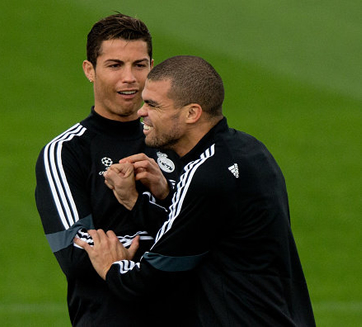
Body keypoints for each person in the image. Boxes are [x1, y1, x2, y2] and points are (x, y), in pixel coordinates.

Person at [75, 55, 316, 326]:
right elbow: (201, 231)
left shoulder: (204, 174)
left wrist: (112, 265)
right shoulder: (251, 151)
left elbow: (145, 280)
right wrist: (150, 198)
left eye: (153, 105)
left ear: (192, 113)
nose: (141, 111)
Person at [35, 14, 179, 326]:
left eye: (139, 65)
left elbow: (210, 228)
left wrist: (118, 249)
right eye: (115, 65)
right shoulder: (65, 152)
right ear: (90, 70)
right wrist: (171, 242)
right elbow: (74, 254)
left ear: (152, 67)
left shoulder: (177, 143)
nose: (130, 78)